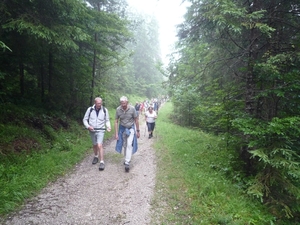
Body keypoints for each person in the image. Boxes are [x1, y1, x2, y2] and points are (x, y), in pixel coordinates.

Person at [83, 97, 111, 171]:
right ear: (95, 103)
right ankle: (96, 156)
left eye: (100, 103)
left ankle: (102, 162)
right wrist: (88, 126)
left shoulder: (104, 110)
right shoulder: (90, 109)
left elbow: (107, 120)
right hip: (92, 130)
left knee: (99, 145)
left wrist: (108, 127)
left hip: (101, 130)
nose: (100, 104)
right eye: (98, 103)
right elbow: (85, 119)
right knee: (95, 145)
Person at [115, 96, 140, 172]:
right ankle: (127, 158)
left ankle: (127, 162)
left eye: (124, 103)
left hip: (131, 128)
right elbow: (116, 121)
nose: (123, 105)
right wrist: (116, 133)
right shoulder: (118, 110)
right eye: (122, 103)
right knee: (125, 145)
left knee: (129, 144)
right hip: (122, 129)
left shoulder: (132, 109)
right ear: (120, 103)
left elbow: (136, 120)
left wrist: (138, 131)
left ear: (127, 102)